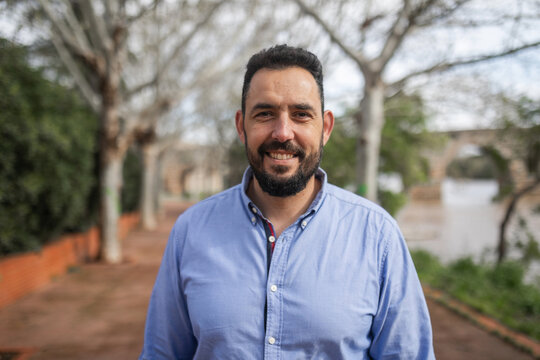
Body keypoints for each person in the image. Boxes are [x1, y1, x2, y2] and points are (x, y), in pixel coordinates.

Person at [140, 44, 435, 359]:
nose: (282, 132)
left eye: (301, 115)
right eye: (265, 113)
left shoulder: (378, 236)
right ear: (241, 126)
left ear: (326, 128)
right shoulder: (191, 231)